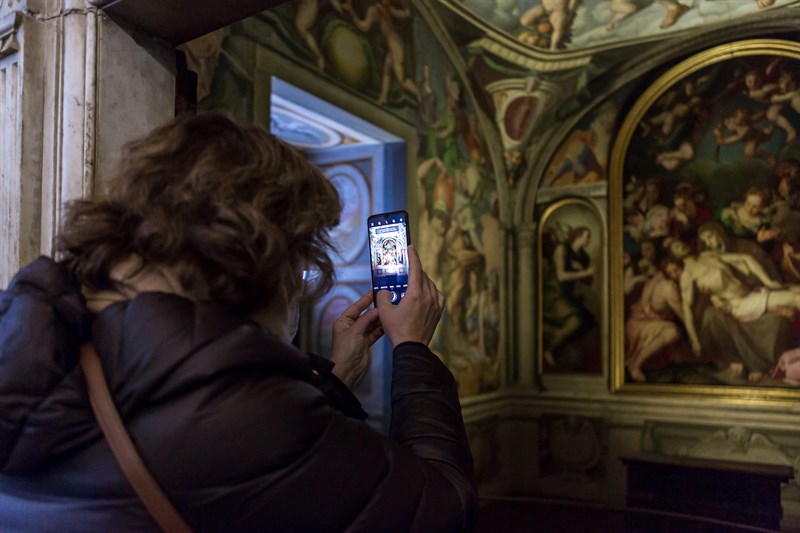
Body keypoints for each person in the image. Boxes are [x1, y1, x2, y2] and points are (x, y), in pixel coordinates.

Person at [0, 114, 478, 531]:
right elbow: (445, 505)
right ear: (264, 254)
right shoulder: (249, 414)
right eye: (301, 262)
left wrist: (335, 377)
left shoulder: (39, 330)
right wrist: (412, 346)